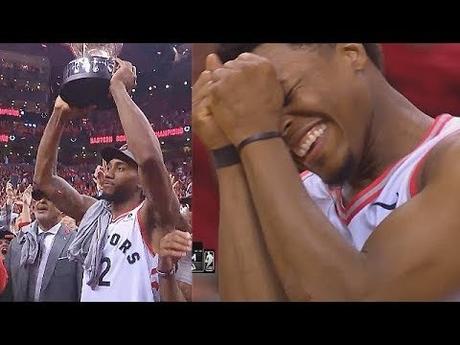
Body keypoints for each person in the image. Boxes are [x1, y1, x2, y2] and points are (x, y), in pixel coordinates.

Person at [193, 43, 460, 301]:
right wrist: (226, 154)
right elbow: (202, 259)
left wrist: (258, 133)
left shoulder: (451, 159)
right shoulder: (296, 189)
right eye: (264, 113)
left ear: (351, 52)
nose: (278, 126)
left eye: (286, 95)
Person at [34, 59, 191, 302]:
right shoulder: (93, 212)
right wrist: (59, 115)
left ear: (142, 182)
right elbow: (43, 182)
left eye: (120, 167)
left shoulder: (152, 216)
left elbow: (149, 159)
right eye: (108, 166)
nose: (108, 172)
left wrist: (118, 89)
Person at [2, 192, 81, 301]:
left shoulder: (76, 243)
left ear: (62, 208)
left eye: (49, 197)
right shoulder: (17, 242)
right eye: (38, 196)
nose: (42, 201)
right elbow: (7, 291)